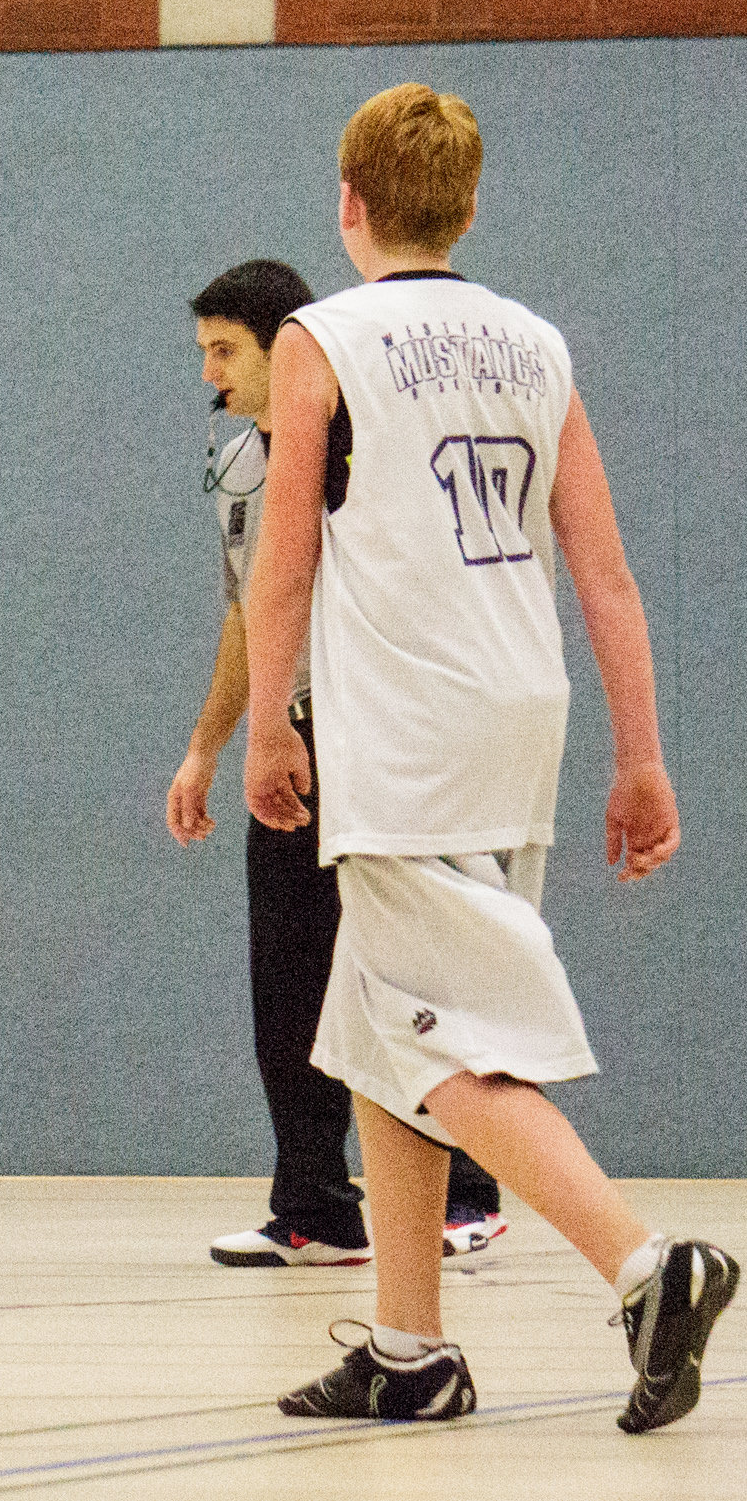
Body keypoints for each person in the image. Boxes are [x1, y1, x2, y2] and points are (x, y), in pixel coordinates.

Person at [243, 83, 732, 1430]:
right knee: (380, 1029)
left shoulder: (321, 338)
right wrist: (641, 755)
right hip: (519, 717)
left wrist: (268, 720)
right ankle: (411, 1349)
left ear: (349, 201)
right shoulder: (534, 341)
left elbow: (283, 559)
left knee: (441, 1038)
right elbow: (606, 572)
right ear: (466, 205)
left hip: (402, 729)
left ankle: (646, 1265)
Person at [169, 260, 503, 1266]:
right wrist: (207, 745)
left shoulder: (377, 446)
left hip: (397, 735)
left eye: (225, 351)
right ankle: (314, 1204)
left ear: (287, 345)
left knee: (416, 968)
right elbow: (247, 614)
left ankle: (469, 1189)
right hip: (297, 743)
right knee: (289, 974)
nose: (209, 374)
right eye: (203, 352)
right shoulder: (239, 467)